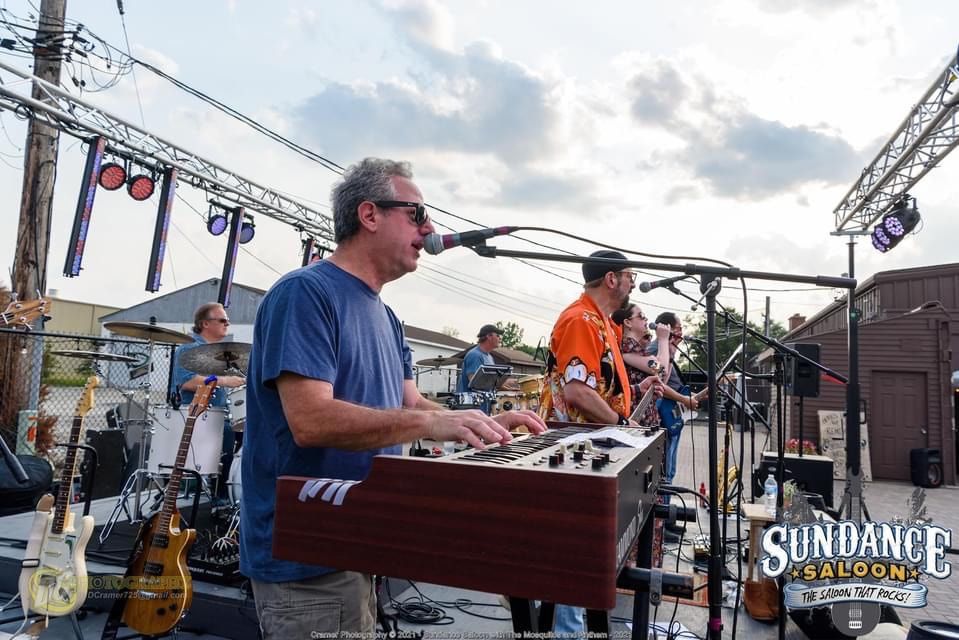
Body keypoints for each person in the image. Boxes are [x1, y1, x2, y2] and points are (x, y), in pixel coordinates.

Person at [239, 157, 546, 638]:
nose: (430, 229)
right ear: (369, 214)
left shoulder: (387, 316)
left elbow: (412, 404)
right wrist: (429, 424)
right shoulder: (305, 293)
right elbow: (311, 420)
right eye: (417, 214)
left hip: (360, 539)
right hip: (306, 556)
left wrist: (473, 421)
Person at [538, 250, 662, 637]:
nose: (632, 283)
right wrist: (622, 423)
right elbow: (577, 392)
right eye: (630, 276)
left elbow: (601, 389)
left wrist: (632, 397)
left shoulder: (603, 323)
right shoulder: (581, 320)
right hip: (572, 451)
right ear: (611, 279)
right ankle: (566, 630)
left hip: (590, 449)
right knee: (575, 550)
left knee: (583, 552)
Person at [169, 303, 245, 492]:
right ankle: (216, 494)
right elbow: (186, 381)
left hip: (218, 415)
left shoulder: (219, 353)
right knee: (227, 435)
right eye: (222, 320)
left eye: (227, 320)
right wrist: (225, 381)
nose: (227, 324)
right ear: (205, 323)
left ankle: (228, 492)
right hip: (195, 416)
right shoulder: (189, 348)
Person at [647, 312, 707, 488]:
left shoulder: (669, 351)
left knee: (670, 471)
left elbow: (674, 387)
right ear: (668, 329)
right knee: (666, 473)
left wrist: (695, 396)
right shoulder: (655, 349)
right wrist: (684, 399)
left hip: (672, 415)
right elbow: (658, 383)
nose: (682, 333)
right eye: (679, 328)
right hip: (663, 417)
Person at [611, 302, 671, 427]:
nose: (646, 319)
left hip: (643, 416)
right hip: (636, 421)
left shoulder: (635, 350)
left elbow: (661, 378)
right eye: (641, 316)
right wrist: (663, 339)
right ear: (628, 322)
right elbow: (661, 369)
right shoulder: (627, 349)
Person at [457, 324, 502, 393]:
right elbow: (476, 384)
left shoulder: (490, 357)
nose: (500, 338)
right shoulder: (474, 355)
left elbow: (490, 382)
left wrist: (503, 384)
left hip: (483, 398)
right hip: (471, 399)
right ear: (489, 336)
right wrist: (499, 383)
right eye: (497, 335)